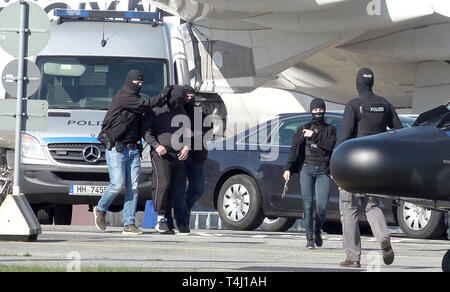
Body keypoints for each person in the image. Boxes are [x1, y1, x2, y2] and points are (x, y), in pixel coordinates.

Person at [338, 67, 403, 268]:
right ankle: (383, 237)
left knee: (348, 208)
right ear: (372, 83)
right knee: (372, 206)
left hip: (354, 165)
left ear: (358, 84)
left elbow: (344, 136)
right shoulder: (385, 104)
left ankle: (353, 257)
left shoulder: (354, 104)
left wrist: (335, 163)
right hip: (377, 166)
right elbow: (399, 132)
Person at [94, 69, 167, 235]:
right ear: (129, 82)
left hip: (133, 150)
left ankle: (129, 223)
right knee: (117, 185)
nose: (139, 85)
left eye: (141, 83)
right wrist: (162, 96)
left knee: (133, 188)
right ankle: (100, 208)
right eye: (137, 83)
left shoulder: (136, 100)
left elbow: (146, 112)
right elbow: (144, 105)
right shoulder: (124, 97)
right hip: (116, 149)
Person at [283, 98, 336, 249]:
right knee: (308, 204)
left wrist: (313, 136)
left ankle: (318, 229)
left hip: (323, 171)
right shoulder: (302, 129)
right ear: (311, 112)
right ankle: (309, 238)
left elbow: (329, 146)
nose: (318, 113)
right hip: (306, 169)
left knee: (322, 206)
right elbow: (294, 150)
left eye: (320, 110)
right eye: (315, 111)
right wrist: (288, 168)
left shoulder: (330, 129)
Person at [141, 85, 190, 234]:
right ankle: (160, 218)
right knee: (163, 184)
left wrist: (186, 147)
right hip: (161, 154)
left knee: (174, 187)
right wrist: (156, 146)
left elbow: (187, 132)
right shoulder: (156, 111)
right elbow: (147, 132)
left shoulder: (181, 111)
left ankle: (167, 218)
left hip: (178, 154)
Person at [172, 85, 212, 233]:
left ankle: (184, 209)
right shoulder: (175, 111)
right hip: (180, 155)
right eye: (187, 95)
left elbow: (208, 129)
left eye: (192, 95)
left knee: (198, 189)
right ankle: (182, 221)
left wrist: (194, 133)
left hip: (197, 156)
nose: (190, 98)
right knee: (180, 189)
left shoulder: (200, 113)